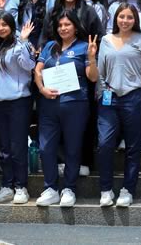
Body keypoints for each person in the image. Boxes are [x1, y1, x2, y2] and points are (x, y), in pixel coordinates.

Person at [94, 4, 141, 207]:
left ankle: (128, 189)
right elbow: (100, 71)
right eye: (121, 17)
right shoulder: (106, 40)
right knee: (105, 143)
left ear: (135, 20)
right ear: (115, 18)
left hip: (133, 97)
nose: (125, 21)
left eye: (129, 17)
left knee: (133, 146)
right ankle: (106, 189)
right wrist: (101, 94)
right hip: (109, 98)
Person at [34, 12, 99, 207]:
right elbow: (38, 70)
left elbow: (93, 77)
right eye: (60, 25)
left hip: (75, 103)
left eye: (67, 24)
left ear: (76, 27)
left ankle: (69, 188)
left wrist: (92, 58)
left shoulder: (84, 47)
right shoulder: (49, 46)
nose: (63, 28)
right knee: (46, 147)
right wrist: (41, 88)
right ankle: (51, 188)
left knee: (72, 147)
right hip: (49, 103)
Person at [0, 14, 36, 205]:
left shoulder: (20, 44)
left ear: (12, 26)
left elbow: (29, 65)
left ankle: (21, 187)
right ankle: (7, 186)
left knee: (18, 147)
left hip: (18, 102)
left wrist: (23, 41)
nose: (1, 28)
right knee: (4, 148)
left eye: (5, 25)